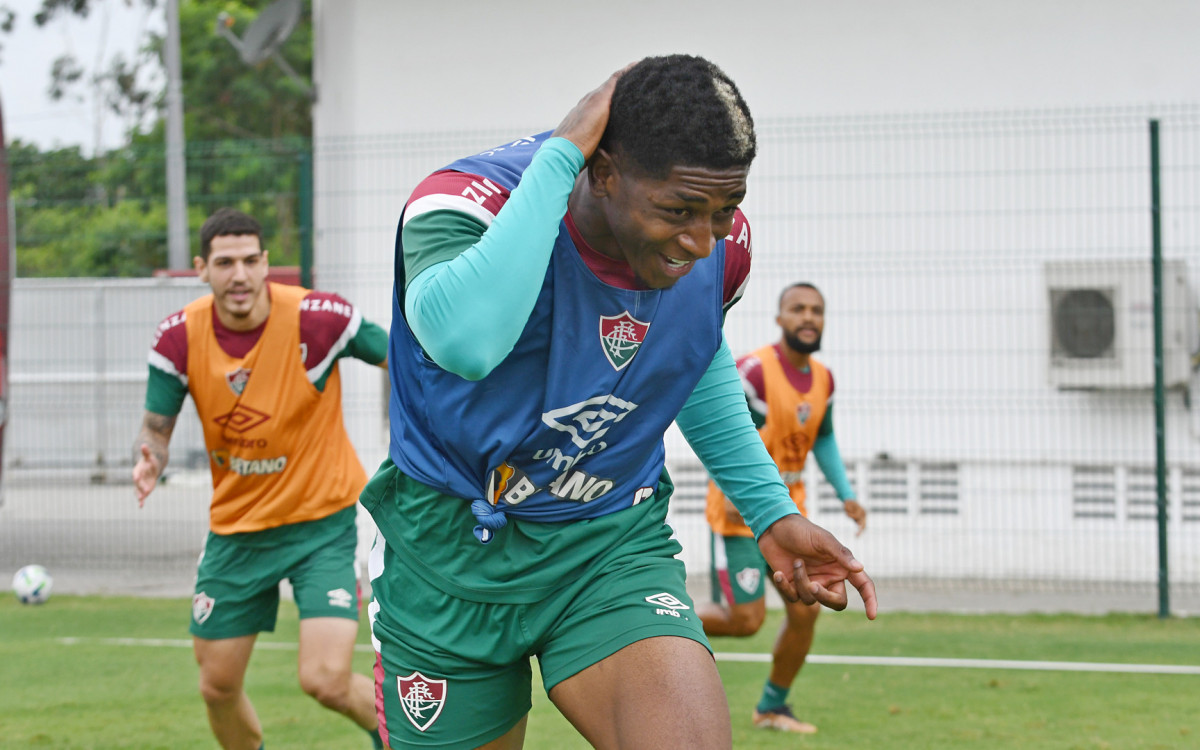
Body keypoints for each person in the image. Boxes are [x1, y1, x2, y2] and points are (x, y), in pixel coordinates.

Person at [362, 54, 878, 750]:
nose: (701, 242)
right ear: (602, 172)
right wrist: (557, 159)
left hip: (606, 541)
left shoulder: (720, 252)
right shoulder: (459, 204)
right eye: (679, 210)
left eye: (724, 211)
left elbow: (690, 358)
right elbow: (467, 341)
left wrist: (769, 512)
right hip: (448, 553)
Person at [132, 208, 388, 750]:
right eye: (225, 263)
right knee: (217, 684)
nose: (240, 275)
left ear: (267, 262)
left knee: (325, 680)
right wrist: (148, 458)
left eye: (251, 260)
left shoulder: (319, 320)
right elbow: (156, 426)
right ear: (203, 268)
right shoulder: (178, 337)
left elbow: (406, 360)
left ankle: (397, 742)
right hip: (237, 532)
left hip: (322, 525)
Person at [699, 282, 868, 735]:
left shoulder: (823, 381)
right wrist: (736, 500)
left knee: (805, 612)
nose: (808, 317)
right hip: (737, 521)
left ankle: (772, 707)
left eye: (816, 310)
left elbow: (825, 438)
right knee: (745, 621)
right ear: (780, 318)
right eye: (797, 309)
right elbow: (725, 439)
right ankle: (654, 619)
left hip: (789, 520)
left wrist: (846, 494)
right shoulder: (754, 373)